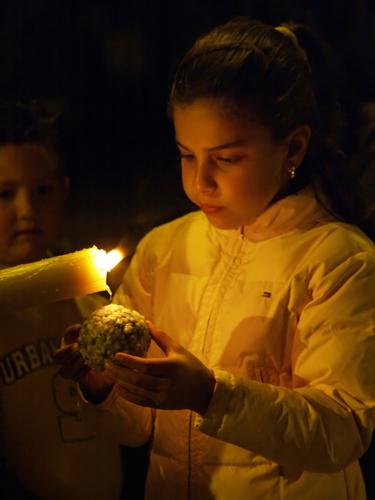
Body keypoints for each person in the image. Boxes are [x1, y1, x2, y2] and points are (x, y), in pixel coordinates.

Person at [55, 17, 375, 500]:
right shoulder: (165, 250)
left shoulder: (339, 261)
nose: (200, 182)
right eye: (187, 155)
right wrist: (103, 382)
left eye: (226, 159)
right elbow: (136, 429)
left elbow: (342, 431)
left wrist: (211, 394)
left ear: (293, 146)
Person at [0, 100, 124, 499]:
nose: (27, 211)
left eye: (42, 191)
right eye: (4, 194)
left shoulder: (91, 295)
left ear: (64, 190)